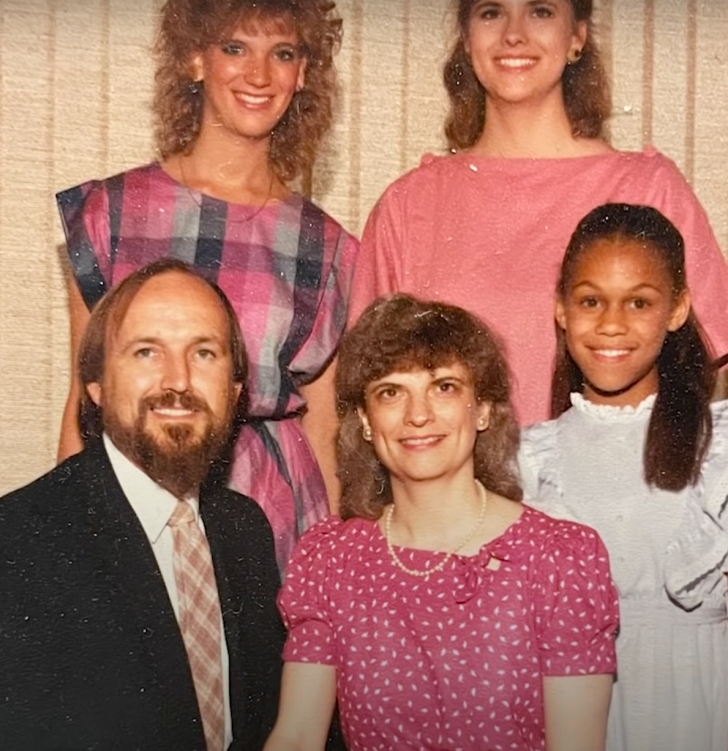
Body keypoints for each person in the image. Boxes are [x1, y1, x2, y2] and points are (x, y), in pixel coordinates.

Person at [56, 0, 358, 572]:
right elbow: (83, 398)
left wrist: (336, 570)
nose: (260, 75)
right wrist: (71, 553)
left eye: (283, 53)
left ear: (303, 75)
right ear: (195, 59)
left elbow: (324, 426)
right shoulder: (110, 214)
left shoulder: (328, 245)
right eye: (235, 48)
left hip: (274, 515)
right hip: (134, 492)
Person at [264, 294, 619, 751]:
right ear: (365, 421)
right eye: (390, 392)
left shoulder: (559, 559)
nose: (418, 415)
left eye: (444, 386)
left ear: (484, 409)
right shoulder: (331, 560)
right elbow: (296, 737)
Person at [349, 0, 728, 426]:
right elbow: (367, 388)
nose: (514, 33)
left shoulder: (649, 187)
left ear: (577, 36)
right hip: (456, 491)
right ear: (467, 38)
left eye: (541, 11)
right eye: (491, 12)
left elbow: (709, 365)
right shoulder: (408, 206)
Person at [0, 259, 284, 750]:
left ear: (236, 391)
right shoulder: (21, 541)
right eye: (147, 351)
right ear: (97, 387)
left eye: (205, 353)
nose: (177, 381)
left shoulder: (245, 530)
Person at [518, 204, 728, 751]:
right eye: (591, 301)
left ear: (677, 308)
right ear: (561, 310)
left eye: (639, 302)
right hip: (575, 724)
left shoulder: (720, 451)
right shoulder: (529, 462)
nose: (612, 324)